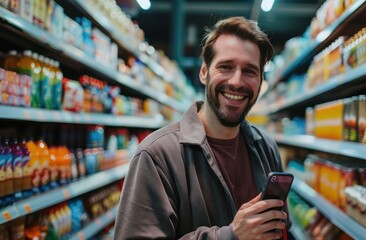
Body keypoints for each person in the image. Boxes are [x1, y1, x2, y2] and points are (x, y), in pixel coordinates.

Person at [115, 16, 293, 239]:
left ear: (260, 81)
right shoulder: (157, 156)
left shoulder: (265, 147)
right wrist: (231, 236)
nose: (237, 81)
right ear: (203, 72)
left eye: (250, 71)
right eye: (226, 67)